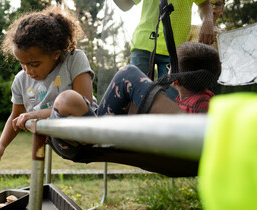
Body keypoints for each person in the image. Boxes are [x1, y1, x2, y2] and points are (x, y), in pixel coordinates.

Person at [48, 41, 220, 159]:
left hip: (171, 146)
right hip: (89, 136)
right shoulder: (177, 103)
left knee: (128, 73)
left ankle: (85, 127)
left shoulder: (204, 104)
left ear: (175, 79)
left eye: (169, 67)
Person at [0, 5, 97, 169]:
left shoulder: (73, 59)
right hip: (64, 141)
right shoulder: (20, 80)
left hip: (89, 127)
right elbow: (16, 115)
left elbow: (85, 102)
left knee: (127, 73)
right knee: (63, 100)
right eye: (22, 64)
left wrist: (34, 114)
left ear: (55, 52)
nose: (28, 71)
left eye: (34, 64)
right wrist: (1, 146)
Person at [113, 0, 214, 99]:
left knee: (169, 103)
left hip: (174, 51)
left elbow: (204, 3)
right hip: (143, 45)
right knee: (133, 96)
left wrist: (208, 21)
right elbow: (126, 5)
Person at [163, 41, 221, 113]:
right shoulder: (182, 97)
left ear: (176, 78)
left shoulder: (202, 104)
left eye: (170, 67)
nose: (168, 70)